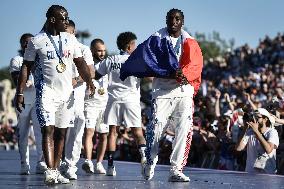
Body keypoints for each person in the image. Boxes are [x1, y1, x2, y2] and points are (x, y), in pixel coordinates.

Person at [120, 9, 203, 182]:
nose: (174, 21)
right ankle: (150, 161)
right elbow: (148, 60)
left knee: (184, 129)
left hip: (183, 90)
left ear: (182, 21)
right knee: (156, 129)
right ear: (166, 20)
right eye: (171, 18)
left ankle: (176, 169)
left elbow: (196, 64)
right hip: (162, 91)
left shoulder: (190, 41)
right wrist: (170, 72)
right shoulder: (156, 39)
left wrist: (184, 74)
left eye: (177, 19)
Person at [15, 5, 95, 185]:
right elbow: (26, 67)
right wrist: (19, 92)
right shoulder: (36, 41)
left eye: (67, 19)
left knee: (61, 133)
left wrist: (89, 81)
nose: (66, 22)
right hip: (46, 92)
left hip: (67, 94)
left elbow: (80, 62)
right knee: (47, 130)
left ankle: (56, 170)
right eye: (63, 19)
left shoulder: (70, 39)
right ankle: (50, 171)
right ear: (53, 20)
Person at [94, 32, 147, 176]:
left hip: (114, 100)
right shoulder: (137, 60)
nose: (135, 47)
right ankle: (144, 156)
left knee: (112, 133)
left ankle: (110, 166)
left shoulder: (110, 59)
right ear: (129, 45)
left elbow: (96, 75)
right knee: (137, 132)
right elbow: (148, 75)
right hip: (131, 100)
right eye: (134, 44)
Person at [61, 20, 95, 180]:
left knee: (76, 130)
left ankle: (70, 165)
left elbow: (92, 73)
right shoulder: (57, 49)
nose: (62, 35)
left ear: (73, 32)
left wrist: (75, 79)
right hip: (58, 95)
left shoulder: (83, 49)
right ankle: (54, 163)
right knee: (57, 132)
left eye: (66, 32)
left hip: (76, 97)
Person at [9, 33, 47, 175]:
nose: (28, 44)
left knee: (40, 133)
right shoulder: (17, 60)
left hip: (38, 101)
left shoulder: (40, 59)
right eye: (25, 42)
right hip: (23, 101)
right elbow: (16, 78)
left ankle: (40, 162)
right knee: (23, 134)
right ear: (21, 44)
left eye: (30, 42)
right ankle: (24, 163)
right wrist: (26, 81)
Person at [81, 38, 109, 174]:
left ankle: (99, 163)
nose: (102, 53)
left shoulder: (108, 64)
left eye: (104, 50)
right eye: (99, 50)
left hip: (104, 104)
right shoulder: (86, 64)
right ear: (92, 50)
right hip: (90, 103)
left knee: (104, 135)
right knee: (89, 132)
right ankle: (88, 161)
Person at [235, 108, 279, 174]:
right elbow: (239, 148)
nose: (254, 119)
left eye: (257, 117)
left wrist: (256, 132)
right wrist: (245, 128)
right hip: (250, 173)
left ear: (265, 119)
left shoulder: (272, 132)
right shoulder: (249, 132)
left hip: (267, 175)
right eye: (253, 117)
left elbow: (268, 149)